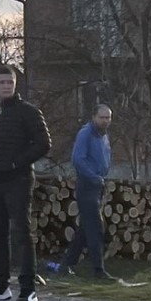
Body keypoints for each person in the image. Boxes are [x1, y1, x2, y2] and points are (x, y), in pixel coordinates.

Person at [0, 65, 52, 301]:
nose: (6, 86)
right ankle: (0, 285)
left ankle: (28, 288)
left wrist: (16, 163)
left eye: (10, 82)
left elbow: (43, 143)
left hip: (17, 180)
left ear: (15, 84)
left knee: (21, 233)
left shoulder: (28, 112)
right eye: (2, 82)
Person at [60, 104, 114, 279]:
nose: (106, 121)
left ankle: (66, 265)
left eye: (108, 118)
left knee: (85, 228)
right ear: (94, 117)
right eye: (102, 117)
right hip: (87, 184)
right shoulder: (86, 133)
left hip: (98, 184)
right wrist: (93, 177)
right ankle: (98, 270)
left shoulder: (104, 135)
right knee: (95, 228)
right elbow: (78, 159)